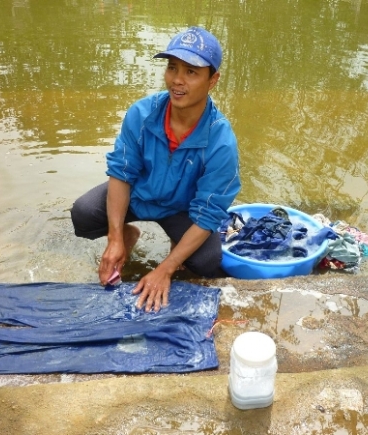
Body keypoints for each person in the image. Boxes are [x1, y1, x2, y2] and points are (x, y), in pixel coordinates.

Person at [70, 26, 241, 312]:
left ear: (213, 80)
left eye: (191, 72)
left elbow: (209, 212)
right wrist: (113, 240)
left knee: (207, 261)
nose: (177, 80)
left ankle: (177, 247)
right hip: (139, 195)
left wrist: (166, 268)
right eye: (172, 68)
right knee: (84, 213)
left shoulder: (221, 141)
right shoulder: (141, 113)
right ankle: (126, 236)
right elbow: (122, 173)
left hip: (181, 208)